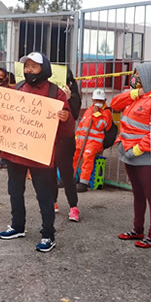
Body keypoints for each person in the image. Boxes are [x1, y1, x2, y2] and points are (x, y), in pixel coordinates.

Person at [0, 52, 74, 252]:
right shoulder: (19, 87)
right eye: (27, 66)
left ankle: (48, 234)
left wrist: (65, 118)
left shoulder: (55, 93)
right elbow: (6, 113)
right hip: (16, 152)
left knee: (45, 195)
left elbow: (68, 130)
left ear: (44, 69)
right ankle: (17, 226)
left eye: (34, 67)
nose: (29, 70)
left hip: (41, 154)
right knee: (15, 190)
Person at [111, 63, 151, 248]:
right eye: (134, 75)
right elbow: (114, 104)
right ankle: (137, 229)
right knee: (137, 194)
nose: (134, 79)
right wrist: (135, 93)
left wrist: (138, 150)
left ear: (149, 77)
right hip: (128, 152)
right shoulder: (136, 97)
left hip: (145, 156)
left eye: (138, 76)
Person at [53, 68, 82, 219]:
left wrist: (69, 99)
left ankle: (73, 206)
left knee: (66, 173)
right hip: (49, 138)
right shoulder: (48, 91)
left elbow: (75, 115)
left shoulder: (73, 95)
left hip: (65, 139)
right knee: (49, 172)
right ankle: (53, 202)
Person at [73, 88, 112, 194]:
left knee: (87, 157)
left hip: (94, 143)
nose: (98, 103)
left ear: (104, 100)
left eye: (100, 101)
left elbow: (101, 126)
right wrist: (76, 138)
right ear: (92, 100)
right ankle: (72, 178)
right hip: (82, 141)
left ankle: (83, 183)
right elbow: (81, 125)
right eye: (96, 101)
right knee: (74, 156)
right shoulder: (89, 110)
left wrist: (96, 114)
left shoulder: (106, 112)